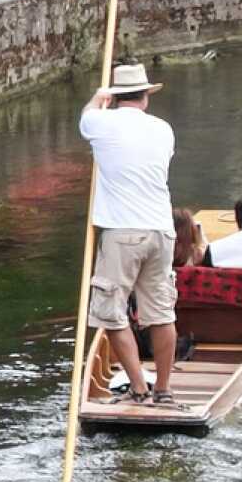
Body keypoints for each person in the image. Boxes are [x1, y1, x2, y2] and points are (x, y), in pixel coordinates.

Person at [81, 61, 178, 407]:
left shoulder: (99, 121)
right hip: (161, 231)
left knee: (110, 313)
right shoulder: (164, 129)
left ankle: (139, 389)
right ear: (146, 97)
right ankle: (163, 390)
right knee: (161, 313)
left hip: (122, 232)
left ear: (115, 96)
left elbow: (87, 116)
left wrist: (97, 98)